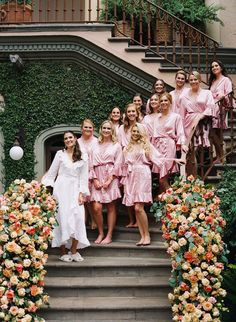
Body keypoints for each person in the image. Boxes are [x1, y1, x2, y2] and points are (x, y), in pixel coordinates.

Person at [42, 131, 90, 262]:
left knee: (79, 218)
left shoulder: (84, 156)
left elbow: (84, 177)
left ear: (75, 139)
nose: (68, 140)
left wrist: (82, 193)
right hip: (61, 189)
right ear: (64, 141)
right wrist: (44, 184)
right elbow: (52, 174)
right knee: (62, 218)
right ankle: (63, 252)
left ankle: (74, 250)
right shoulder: (59, 154)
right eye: (66, 138)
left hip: (75, 190)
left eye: (70, 137)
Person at [122, 124, 167, 246]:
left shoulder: (146, 145)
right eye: (133, 131)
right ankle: (142, 236)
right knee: (136, 209)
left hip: (143, 175)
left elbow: (159, 159)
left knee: (138, 208)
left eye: (137, 131)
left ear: (141, 132)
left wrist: (175, 160)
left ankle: (147, 235)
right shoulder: (127, 147)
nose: (135, 133)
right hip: (131, 176)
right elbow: (122, 164)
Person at [90, 120, 122, 244]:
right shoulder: (95, 145)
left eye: (109, 128)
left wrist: (110, 179)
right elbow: (90, 163)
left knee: (111, 207)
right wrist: (95, 179)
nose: (106, 130)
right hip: (97, 176)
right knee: (96, 207)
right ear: (101, 129)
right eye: (104, 128)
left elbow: (119, 163)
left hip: (111, 177)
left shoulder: (116, 145)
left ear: (112, 131)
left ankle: (109, 235)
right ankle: (100, 233)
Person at [179, 71, 215, 175]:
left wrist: (201, 116)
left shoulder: (207, 93)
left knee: (201, 150)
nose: (193, 81)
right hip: (188, 123)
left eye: (195, 79)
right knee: (190, 150)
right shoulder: (184, 95)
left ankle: (200, 175)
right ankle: (190, 175)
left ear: (199, 80)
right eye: (191, 80)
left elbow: (211, 107)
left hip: (202, 122)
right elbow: (182, 114)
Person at [118, 103, 148, 227]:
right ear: (126, 114)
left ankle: (138, 220)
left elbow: (146, 142)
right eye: (128, 111)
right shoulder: (121, 128)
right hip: (126, 158)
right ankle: (131, 220)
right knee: (127, 191)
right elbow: (120, 144)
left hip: (138, 159)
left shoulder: (141, 126)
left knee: (137, 192)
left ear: (137, 113)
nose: (131, 114)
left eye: (133, 111)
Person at [151, 92, 187, 192]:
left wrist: (183, 144)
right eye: (161, 101)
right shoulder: (156, 118)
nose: (163, 102)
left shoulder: (176, 117)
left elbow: (180, 132)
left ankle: (172, 197)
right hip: (158, 146)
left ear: (170, 102)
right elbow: (154, 135)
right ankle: (166, 200)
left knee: (163, 177)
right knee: (160, 177)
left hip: (169, 145)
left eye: (165, 100)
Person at [209, 60, 233, 161]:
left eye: (216, 66)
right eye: (212, 67)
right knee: (214, 133)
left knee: (216, 132)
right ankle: (221, 155)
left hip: (221, 108)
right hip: (212, 108)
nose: (214, 68)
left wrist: (223, 97)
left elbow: (229, 94)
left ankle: (221, 155)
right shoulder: (213, 81)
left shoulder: (226, 80)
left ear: (221, 67)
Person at [78, 119, 98, 229]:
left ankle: (94, 219)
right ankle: (85, 220)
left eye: (90, 127)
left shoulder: (97, 141)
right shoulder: (77, 142)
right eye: (86, 127)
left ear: (93, 129)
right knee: (84, 198)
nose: (88, 129)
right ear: (81, 129)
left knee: (91, 198)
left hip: (93, 172)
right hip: (81, 172)